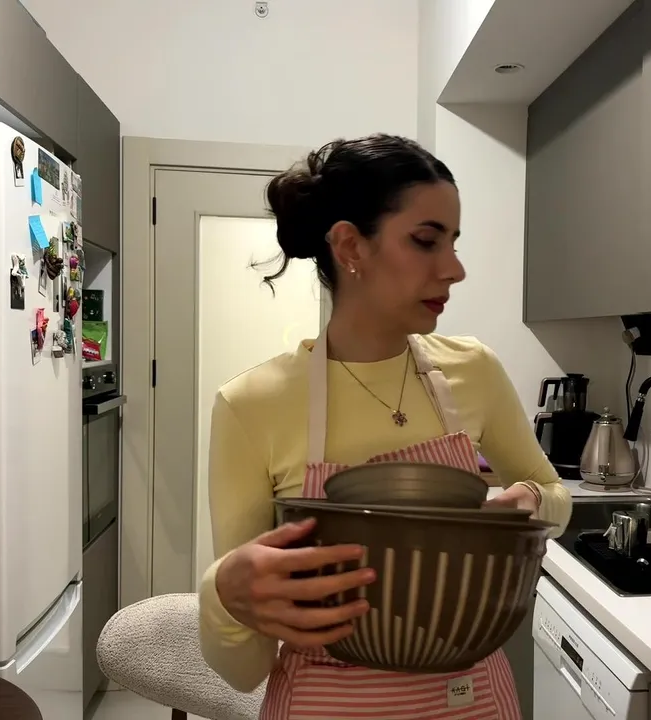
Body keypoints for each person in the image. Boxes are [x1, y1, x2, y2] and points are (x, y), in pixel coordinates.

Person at [199, 134, 572, 719]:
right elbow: (243, 672)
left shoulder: (473, 370)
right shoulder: (251, 405)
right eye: (426, 241)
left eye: (453, 243)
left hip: (470, 701)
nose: (455, 269)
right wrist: (223, 595)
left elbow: (552, 493)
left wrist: (529, 499)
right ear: (351, 245)